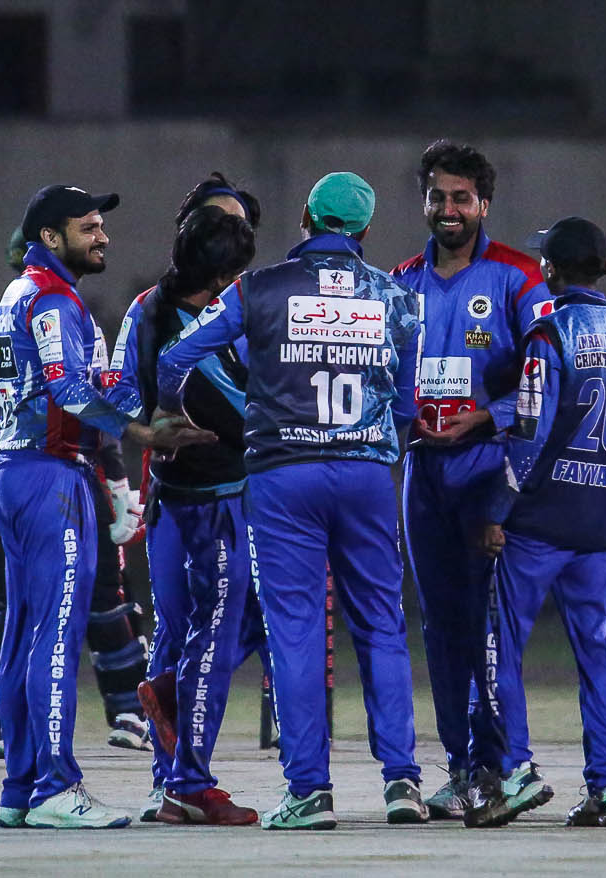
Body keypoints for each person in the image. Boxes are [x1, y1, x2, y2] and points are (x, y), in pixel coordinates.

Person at [156, 172, 426, 830]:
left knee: (295, 629)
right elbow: (406, 408)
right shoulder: (396, 297)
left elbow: (175, 356)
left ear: (305, 216)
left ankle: (310, 791)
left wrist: (170, 415)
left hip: (283, 476)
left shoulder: (259, 287)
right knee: (382, 626)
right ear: (364, 229)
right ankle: (402, 782)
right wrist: (372, 447)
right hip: (365, 476)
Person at [0, 185, 212, 830]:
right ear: (50, 237)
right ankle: (56, 788)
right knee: (57, 634)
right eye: (87, 228)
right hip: (50, 476)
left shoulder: (21, 293)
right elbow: (64, 387)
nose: (102, 237)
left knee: (24, 636)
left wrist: (127, 381)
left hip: (15, 469)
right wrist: (139, 431)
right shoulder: (55, 299)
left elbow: (68, 381)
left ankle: (21, 789)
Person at [471, 216, 606, 828]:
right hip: (599, 527)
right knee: (597, 657)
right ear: (604, 268)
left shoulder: (549, 335)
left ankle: (517, 771)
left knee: (500, 646)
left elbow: (528, 433)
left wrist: (496, 510)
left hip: (539, 523)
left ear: (549, 270)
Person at [390, 140, 553, 819]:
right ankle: (461, 767)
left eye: (461, 197)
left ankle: (502, 764)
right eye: (438, 196)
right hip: (421, 472)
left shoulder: (519, 276)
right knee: (440, 625)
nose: (448, 209)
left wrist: (487, 417)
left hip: (490, 467)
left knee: (489, 623)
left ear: (484, 204)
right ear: (424, 202)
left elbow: (548, 378)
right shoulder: (400, 281)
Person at [0, 228, 150, 761]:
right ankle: (125, 712)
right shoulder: (65, 313)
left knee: (14, 608)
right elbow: (87, 401)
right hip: (64, 474)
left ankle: (12, 727)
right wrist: (119, 480)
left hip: (4, 477)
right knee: (98, 598)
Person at [110, 172, 271, 823]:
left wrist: (145, 431)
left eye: (238, 224)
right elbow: (248, 409)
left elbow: (118, 400)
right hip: (217, 499)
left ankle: (169, 773)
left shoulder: (146, 307)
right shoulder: (224, 312)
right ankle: (185, 780)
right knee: (215, 631)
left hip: (173, 500)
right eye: (218, 222)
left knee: (187, 635)